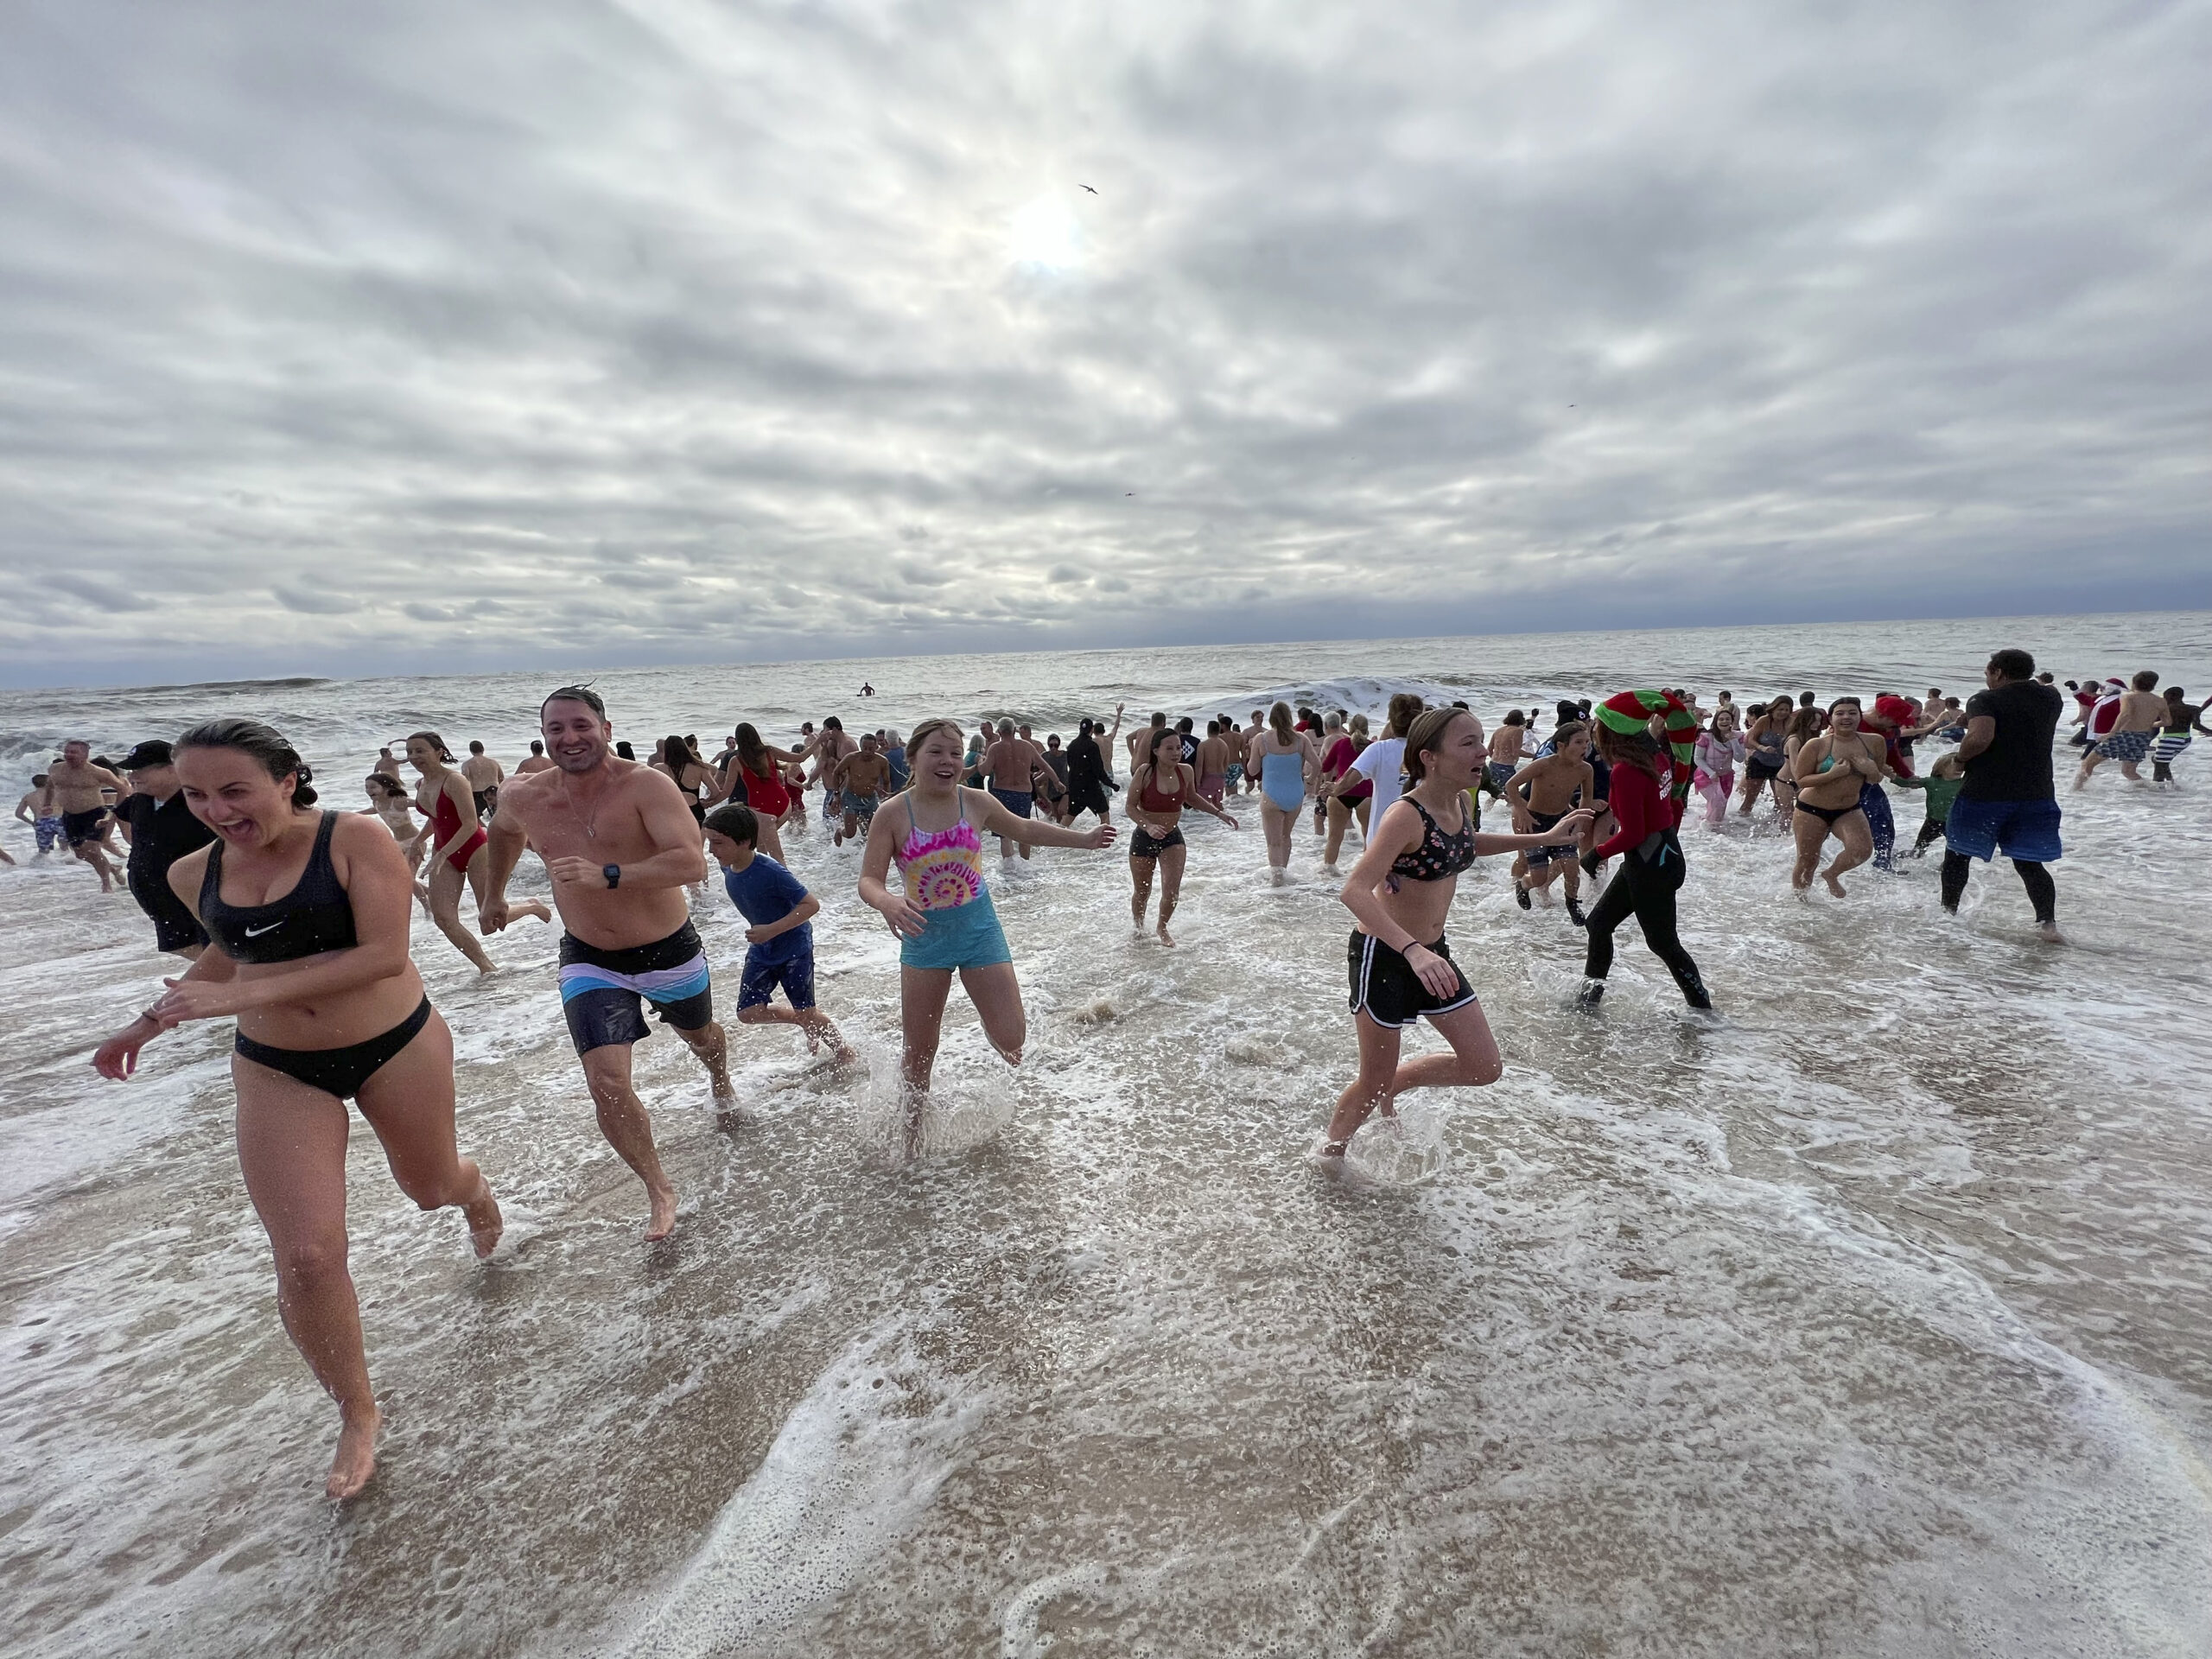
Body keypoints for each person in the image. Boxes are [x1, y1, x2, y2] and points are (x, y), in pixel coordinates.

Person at [90, 718, 502, 1500]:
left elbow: (383, 954)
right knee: (307, 1256)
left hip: (396, 1044)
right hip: (277, 1067)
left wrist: (237, 995)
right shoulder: (192, 872)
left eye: (234, 789)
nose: (216, 808)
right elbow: (232, 951)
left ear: (286, 779)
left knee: (429, 1187)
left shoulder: (355, 839)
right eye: (199, 793)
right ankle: (356, 1409)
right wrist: (149, 1022)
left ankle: (472, 1190)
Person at [482, 687, 735, 1238]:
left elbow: (690, 862)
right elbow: (501, 833)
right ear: (544, 735)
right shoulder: (525, 795)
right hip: (589, 957)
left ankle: (719, 1074)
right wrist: (493, 895)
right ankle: (658, 1189)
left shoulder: (646, 785)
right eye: (556, 729)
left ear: (605, 726)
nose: (569, 738)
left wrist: (610, 873)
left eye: (580, 726)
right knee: (606, 1083)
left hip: (668, 949)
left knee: (702, 1039)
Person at [1324, 707, 1591, 1159]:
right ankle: (1328, 1158)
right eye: (1468, 743)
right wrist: (1412, 951)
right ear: (1429, 757)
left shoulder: (1461, 802)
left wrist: (1544, 840)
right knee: (1371, 1081)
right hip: (1385, 955)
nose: (1483, 750)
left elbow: (1469, 845)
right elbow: (1353, 891)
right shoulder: (1405, 815)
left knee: (1483, 1065)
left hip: (1432, 954)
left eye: (1481, 740)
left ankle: (1397, 1085)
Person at [856, 719, 1116, 1146]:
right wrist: (888, 902)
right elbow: (869, 880)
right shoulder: (892, 814)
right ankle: (910, 1133)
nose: (948, 761)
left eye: (956, 753)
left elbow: (1026, 829)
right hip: (925, 938)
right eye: (936, 752)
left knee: (1013, 1043)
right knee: (919, 1054)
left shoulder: (976, 801)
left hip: (979, 930)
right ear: (914, 758)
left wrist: (1082, 839)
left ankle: (985, 1009)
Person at [1576, 692, 1712, 1012]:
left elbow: (1634, 833)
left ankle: (1703, 1009)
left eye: (1599, 724)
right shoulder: (1656, 757)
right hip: (1662, 856)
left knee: (1663, 944)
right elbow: (1670, 808)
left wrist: (1597, 853)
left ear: (1612, 732)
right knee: (1599, 924)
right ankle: (1588, 999)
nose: (1594, 729)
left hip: (1650, 864)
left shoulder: (1626, 770)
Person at [703, 803, 855, 1064]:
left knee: (808, 1011)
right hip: (764, 948)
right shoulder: (727, 865)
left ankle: (844, 1052)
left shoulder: (771, 871)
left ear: (744, 842)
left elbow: (811, 904)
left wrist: (771, 930)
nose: (711, 850)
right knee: (748, 1012)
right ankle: (804, 1019)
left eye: (718, 843)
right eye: (710, 842)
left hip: (794, 947)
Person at [1942, 649, 2065, 942]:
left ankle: (1947, 915)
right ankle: (2047, 925)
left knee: (1958, 855)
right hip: (2036, 793)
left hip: (1986, 792)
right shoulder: (2052, 697)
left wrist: (1959, 760)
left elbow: (1981, 738)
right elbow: (2021, 722)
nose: (1986, 679)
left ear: (1998, 672)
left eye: (1987, 674)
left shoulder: (1984, 699)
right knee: (2029, 863)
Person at [407, 732, 550, 970]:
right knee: (444, 919)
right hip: (444, 851)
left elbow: (470, 823)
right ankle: (486, 967)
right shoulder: (421, 785)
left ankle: (531, 906)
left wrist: (441, 854)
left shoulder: (455, 781)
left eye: (420, 750)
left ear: (439, 752)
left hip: (475, 848)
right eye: (409, 752)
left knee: (490, 920)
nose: (414, 756)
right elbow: (436, 819)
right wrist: (418, 841)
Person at [1123, 725, 1239, 944]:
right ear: (1156, 750)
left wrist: (1219, 813)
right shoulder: (1145, 772)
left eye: (1178, 748)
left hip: (1172, 837)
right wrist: (1148, 826)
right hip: (1144, 837)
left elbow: (1192, 798)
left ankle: (1162, 928)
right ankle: (1138, 928)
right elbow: (1130, 807)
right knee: (1142, 890)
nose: (1176, 752)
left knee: (1172, 889)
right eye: (1169, 748)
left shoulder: (1185, 771)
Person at [112, 741, 218, 957]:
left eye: (141, 770)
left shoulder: (200, 803)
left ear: (173, 769)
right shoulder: (140, 800)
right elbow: (119, 813)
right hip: (159, 900)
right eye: (131, 770)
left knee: (215, 953)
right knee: (183, 947)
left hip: (197, 899)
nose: (132, 776)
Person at [1787, 699, 1889, 898]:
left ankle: (1832, 874)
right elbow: (1801, 780)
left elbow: (1876, 778)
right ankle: (1800, 902)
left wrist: (1871, 771)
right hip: (1812, 808)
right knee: (1808, 860)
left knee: (1862, 851)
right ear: (1831, 719)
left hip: (1849, 808)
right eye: (1840, 713)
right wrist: (1832, 774)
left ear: (1860, 716)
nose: (1846, 717)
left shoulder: (1875, 742)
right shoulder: (1817, 744)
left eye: (1852, 713)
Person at [1505, 721, 1595, 924]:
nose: (1585, 747)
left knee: (1572, 869)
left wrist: (1580, 820)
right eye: (1579, 742)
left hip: (1561, 821)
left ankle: (1572, 903)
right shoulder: (1544, 764)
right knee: (1539, 878)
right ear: (1561, 745)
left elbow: (1587, 797)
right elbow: (1511, 785)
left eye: (1587, 742)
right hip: (1535, 822)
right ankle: (1523, 885)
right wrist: (1522, 811)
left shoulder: (1585, 769)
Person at [1243, 702, 1320, 884]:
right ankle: (1283, 875)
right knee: (1286, 837)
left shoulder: (1262, 739)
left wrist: (1249, 752)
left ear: (1271, 718)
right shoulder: (1301, 739)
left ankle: (1277, 881)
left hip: (1272, 795)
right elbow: (1317, 764)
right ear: (1289, 717)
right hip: (1295, 794)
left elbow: (1252, 770)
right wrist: (1310, 779)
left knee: (1273, 842)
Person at [48, 740, 130, 891]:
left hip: (94, 814)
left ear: (85, 755)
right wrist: (47, 804)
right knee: (80, 854)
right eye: (67, 751)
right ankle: (113, 868)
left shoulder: (99, 772)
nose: (68, 755)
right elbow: (50, 785)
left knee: (92, 849)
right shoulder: (55, 769)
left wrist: (114, 811)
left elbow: (123, 789)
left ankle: (106, 884)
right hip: (70, 816)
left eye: (73, 752)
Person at [721, 723, 805, 864]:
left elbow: (725, 790)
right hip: (783, 803)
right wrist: (819, 743)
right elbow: (799, 758)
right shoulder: (768, 752)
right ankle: (775, 878)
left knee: (766, 853)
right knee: (771, 852)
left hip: (758, 810)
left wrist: (710, 801)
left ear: (738, 740)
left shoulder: (735, 760)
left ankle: (782, 883)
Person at [2075, 671, 2165, 789]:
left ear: (2135, 683)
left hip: (2123, 735)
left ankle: (2076, 790)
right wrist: (2147, 723)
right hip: (2142, 737)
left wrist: (2112, 732)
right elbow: (2167, 722)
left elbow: (2125, 715)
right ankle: (2151, 790)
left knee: (2087, 764)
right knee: (2129, 772)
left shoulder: (2127, 697)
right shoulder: (2160, 701)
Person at [980, 720, 1049, 861]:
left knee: (1005, 833)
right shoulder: (1026, 746)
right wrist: (1057, 781)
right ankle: (1025, 863)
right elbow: (1044, 765)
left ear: (998, 731)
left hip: (1002, 792)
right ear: (1014, 731)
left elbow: (984, 772)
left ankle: (1009, 866)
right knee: (1024, 830)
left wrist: (980, 761)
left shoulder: (995, 747)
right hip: (1022, 793)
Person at [1319, 715, 1370, 873]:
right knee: (1369, 836)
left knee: (1334, 837)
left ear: (1349, 728)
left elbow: (1326, 767)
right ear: (1367, 729)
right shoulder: (1373, 747)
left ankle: (1329, 870)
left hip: (1340, 792)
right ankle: (1365, 872)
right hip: (1366, 794)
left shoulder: (1340, 744)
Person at [1892, 753, 1967, 855]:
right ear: (1942, 768)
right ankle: (1901, 858)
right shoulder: (1931, 782)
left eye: (1962, 767)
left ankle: (1944, 868)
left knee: (1955, 853)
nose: (1960, 769)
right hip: (1932, 823)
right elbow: (1907, 783)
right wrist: (1892, 776)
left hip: (1953, 823)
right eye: (1956, 766)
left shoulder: (1963, 783)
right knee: (1918, 851)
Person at [652, 733, 727, 830]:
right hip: (695, 811)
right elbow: (715, 791)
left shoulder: (658, 768)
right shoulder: (699, 767)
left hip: (671, 812)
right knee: (697, 845)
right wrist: (707, 801)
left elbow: (653, 794)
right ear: (684, 748)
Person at [1737, 698, 1794, 819]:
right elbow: (1751, 739)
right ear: (1773, 709)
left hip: (1779, 766)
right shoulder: (1764, 720)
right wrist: (1761, 747)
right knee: (1750, 800)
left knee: (1780, 802)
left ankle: (1775, 828)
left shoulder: (1791, 723)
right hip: (1759, 762)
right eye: (1780, 709)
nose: (1783, 712)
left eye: (1786, 710)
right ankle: (1740, 825)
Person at [833, 733, 893, 847]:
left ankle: (865, 855)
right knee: (851, 833)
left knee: (872, 833)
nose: (867, 752)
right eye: (864, 748)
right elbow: (836, 773)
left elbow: (886, 781)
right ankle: (840, 830)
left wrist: (887, 798)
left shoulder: (882, 761)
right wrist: (836, 794)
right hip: (851, 797)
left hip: (870, 799)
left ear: (876, 748)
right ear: (860, 747)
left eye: (871, 749)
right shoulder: (851, 758)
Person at [1693, 707, 1745, 825]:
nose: (1724, 722)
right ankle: (1709, 829)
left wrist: (1733, 741)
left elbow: (1740, 758)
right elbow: (1697, 759)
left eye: (1727, 719)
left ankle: (1711, 831)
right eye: (1721, 719)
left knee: (1720, 808)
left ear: (1732, 721)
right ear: (1716, 722)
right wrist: (1711, 773)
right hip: (1706, 776)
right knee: (1717, 801)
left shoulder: (1738, 736)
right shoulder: (1706, 737)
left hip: (1726, 777)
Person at [1064, 717, 1116, 824]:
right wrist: (1110, 784)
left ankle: (1056, 838)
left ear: (1080, 729)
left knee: (1070, 816)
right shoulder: (1092, 746)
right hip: (1091, 787)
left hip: (1075, 787)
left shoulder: (1071, 745)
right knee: (1105, 816)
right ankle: (1105, 840)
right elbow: (1098, 770)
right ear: (1092, 729)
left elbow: (1070, 766)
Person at [2151, 688, 2207, 782]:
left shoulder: (2165, 710)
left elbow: (2154, 727)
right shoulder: (2194, 709)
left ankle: (2159, 789)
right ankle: (2171, 783)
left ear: (2171, 697)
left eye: (2165, 697)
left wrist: (2146, 740)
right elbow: (2197, 726)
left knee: (2159, 765)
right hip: (2185, 740)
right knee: (2161, 762)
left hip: (2169, 740)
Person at [16, 772, 63, 856]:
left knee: (44, 853)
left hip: (41, 822)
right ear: (48, 782)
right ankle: (69, 867)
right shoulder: (58, 793)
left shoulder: (28, 796)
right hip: (59, 820)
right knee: (66, 849)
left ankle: (41, 868)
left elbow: (18, 814)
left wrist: (32, 823)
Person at [461, 741, 505, 820]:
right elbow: (501, 778)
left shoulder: (467, 764)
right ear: (483, 749)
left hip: (477, 794)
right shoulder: (493, 762)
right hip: (493, 793)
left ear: (471, 751)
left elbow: (465, 781)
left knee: (476, 819)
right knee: (498, 818)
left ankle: (484, 831)